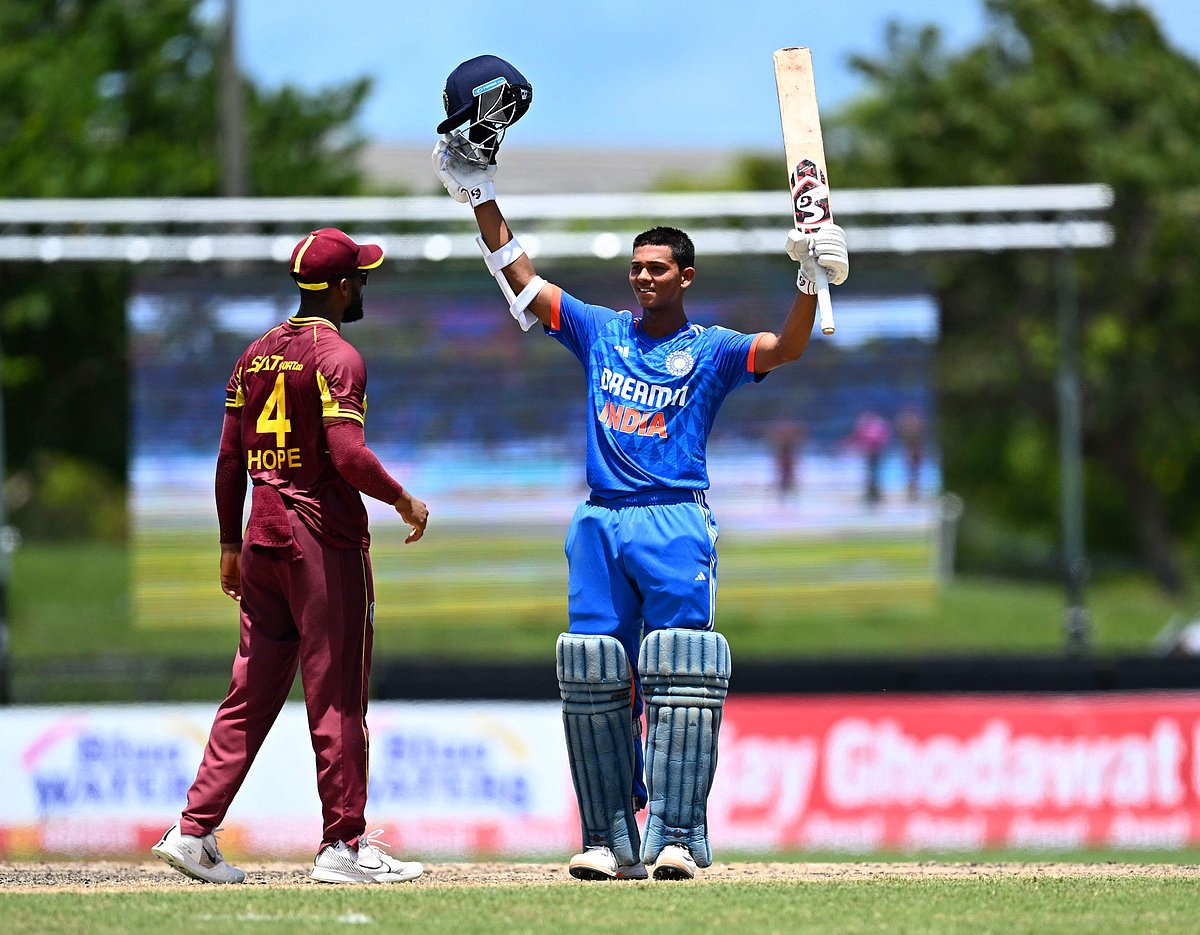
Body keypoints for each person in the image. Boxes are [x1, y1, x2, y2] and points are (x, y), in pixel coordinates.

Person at [431, 57, 849, 882]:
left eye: (656, 269)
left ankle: (679, 837)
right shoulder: (598, 330)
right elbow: (522, 281)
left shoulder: (716, 349)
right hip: (602, 520)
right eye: (636, 267)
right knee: (594, 673)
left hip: (674, 519)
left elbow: (789, 347)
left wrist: (811, 275)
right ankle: (609, 835)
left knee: (681, 672)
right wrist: (479, 198)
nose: (641, 276)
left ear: (685, 277)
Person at [151, 228, 430, 885]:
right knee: (336, 698)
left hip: (261, 537)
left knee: (250, 692)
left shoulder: (253, 355)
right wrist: (403, 500)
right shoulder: (338, 356)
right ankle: (344, 844)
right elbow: (348, 456)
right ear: (338, 286)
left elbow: (228, 460)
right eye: (359, 276)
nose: (363, 285)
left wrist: (227, 542)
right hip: (319, 540)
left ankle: (194, 831)